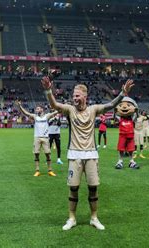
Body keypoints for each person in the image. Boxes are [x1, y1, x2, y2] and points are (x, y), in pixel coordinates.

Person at [42, 76, 134, 231]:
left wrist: (122, 94)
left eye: (77, 96)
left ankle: (94, 218)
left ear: (85, 96)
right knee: (73, 188)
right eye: (73, 96)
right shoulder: (70, 110)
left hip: (91, 155)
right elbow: (54, 104)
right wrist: (48, 90)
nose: (74, 98)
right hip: (74, 155)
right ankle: (72, 218)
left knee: (93, 188)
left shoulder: (93, 110)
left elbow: (111, 105)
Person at [16, 100, 58, 177]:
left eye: (38, 109)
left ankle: (50, 170)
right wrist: (20, 106)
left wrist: (62, 105)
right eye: (36, 109)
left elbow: (56, 112)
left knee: (48, 154)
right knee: (36, 154)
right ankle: (37, 170)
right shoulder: (35, 117)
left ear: (42, 109)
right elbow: (25, 113)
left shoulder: (47, 116)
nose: (36, 110)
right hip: (37, 138)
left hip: (45, 138)